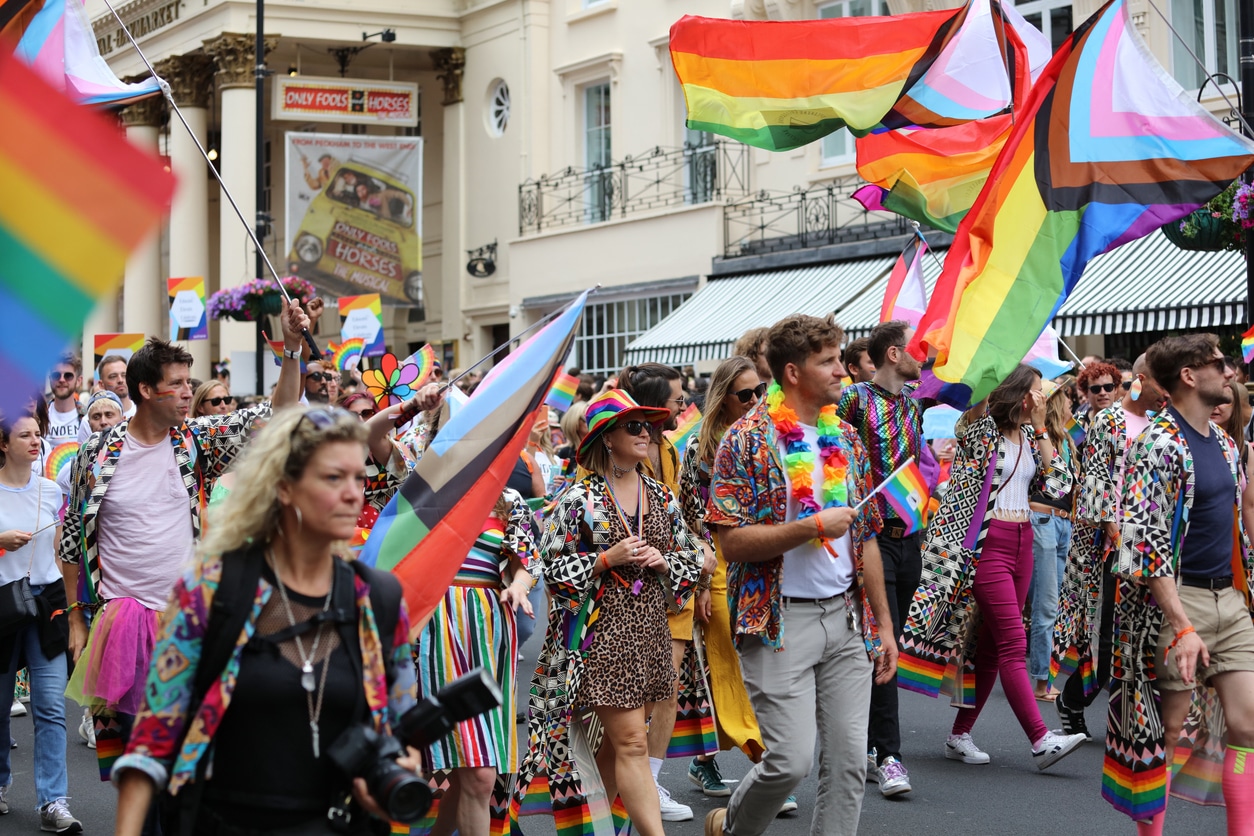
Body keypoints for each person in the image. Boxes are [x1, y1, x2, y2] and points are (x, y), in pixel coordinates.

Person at [111, 406, 420, 835]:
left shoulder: (379, 600)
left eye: (358, 478)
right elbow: (152, 738)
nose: (354, 493)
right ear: (284, 488)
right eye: (334, 478)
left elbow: (400, 730)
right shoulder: (211, 590)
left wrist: (397, 765)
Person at [61, 302, 308, 796]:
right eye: (176, 384)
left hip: (187, 619)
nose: (186, 393)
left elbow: (279, 411)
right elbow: (71, 536)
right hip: (123, 622)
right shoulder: (97, 451)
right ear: (146, 391)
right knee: (137, 768)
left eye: (188, 383)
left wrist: (293, 348)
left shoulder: (193, 441)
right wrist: (75, 617)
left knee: (188, 764)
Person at [705, 313, 897, 836]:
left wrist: (882, 624)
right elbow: (732, 540)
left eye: (840, 360)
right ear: (793, 372)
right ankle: (730, 829)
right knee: (790, 761)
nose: (844, 371)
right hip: (778, 623)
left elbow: (867, 537)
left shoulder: (848, 441)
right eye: (829, 361)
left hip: (846, 618)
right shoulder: (745, 440)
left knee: (850, 764)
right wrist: (811, 525)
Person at [512, 390, 703, 836]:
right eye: (634, 427)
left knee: (619, 750)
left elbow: (689, 557)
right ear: (607, 439)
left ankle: (598, 829)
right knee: (633, 742)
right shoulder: (579, 498)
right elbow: (548, 567)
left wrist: (665, 562)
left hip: (649, 631)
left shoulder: (659, 493)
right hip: (600, 638)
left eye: (649, 427)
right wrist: (603, 560)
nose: (646, 434)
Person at [900, 364, 1085, 771]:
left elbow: (1057, 487)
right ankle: (1041, 739)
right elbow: (969, 422)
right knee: (1013, 642)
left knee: (989, 646)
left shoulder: (1033, 437)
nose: (1044, 397)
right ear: (1019, 393)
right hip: (988, 544)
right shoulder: (984, 432)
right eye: (1037, 390)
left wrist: (1039, 428)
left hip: (1023, 544)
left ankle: (959, 735)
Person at [1104, 334, 1254, 833]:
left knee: (1248, 725)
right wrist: (1182, 625)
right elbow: (1144, 545)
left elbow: (1234, 524)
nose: (1229, 371)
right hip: (1175, 601)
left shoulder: (1228, 443)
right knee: (1167, 732)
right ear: (1189, 376)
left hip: (1227, 601)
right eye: (1218, 364)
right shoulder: (1157, 443)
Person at [619, 362, 717, 823]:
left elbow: (690, 515)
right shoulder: (612, 458)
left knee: (665, 688)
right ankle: (621, 781)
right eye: (678, 399)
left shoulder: (672, 452)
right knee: (625, 695)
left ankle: (651, 780)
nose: (685, 405)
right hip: (627, 590)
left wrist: (699, 577)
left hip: (674, 583)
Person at [1054, 354, 1166, 740]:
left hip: (1151, 541)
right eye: (1160, 381)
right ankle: (1072, 699)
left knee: (1146, 636)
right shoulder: (1109, 421)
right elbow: (1096, 484)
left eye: (1108, 386)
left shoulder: (1159, 423)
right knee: (1107, 638)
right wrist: (1115, 534)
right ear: (1141, 380)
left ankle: (1138, 724)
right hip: (1112, 547)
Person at [835, 320, 924, 797]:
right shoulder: (854, 400)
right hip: (867, 539)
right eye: (915, 349)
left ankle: (872, 744)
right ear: (893, 354)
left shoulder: (914, 405)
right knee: (881, 639)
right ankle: (890, 756)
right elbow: (839, 459)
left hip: (908, 536)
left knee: (892, 639)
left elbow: (914, 468)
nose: (922, 357)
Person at [417, 488, 537, 836]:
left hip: (488, 636)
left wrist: (518, 585)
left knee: (479, 775)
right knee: (433, 769)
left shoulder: (510, 498)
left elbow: (525, 562)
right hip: (434, 632)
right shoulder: (422, 483)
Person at [678, 357, 767, 797]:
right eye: (745, 394)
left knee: (752, 661)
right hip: (717, 563)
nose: (755, 401)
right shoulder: (701, 447)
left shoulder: (769, 437)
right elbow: (692, 520)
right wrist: (698, 582)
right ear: (724, 398)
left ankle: (704, 758)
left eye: (760, 392)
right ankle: (763, 760)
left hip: (763, 560)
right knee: (726, 663)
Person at [0, 411, 81, 831]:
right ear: (3, 443)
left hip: (46, 605)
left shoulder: (51, 491)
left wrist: (73, 612)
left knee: (50, 707)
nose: (35, 441)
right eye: (24, 435)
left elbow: (63, 555)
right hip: (2, 607)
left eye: (38, 434)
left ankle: (54, 803)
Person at [1026, 378, 1077, 702]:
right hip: (1042, 521)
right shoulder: (1035, 436)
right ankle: (1041, 681)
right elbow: (1054, 482)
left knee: (1052, 604)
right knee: (1045, 606)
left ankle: (1035, 672)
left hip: (1063, 525)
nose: (1072, 402)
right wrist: (1041, 423)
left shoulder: (1068, 437)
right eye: (1068, 397)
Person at [1214, 378, 1254, 551]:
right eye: (1211, 401)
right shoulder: (1186, 444)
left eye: (1223, 401)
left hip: (1237, 547)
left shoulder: (1245, 450)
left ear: (1235, 405)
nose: (1216, 406)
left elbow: (1249, 507)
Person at [78, 356, 135, 443]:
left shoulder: (141, 413)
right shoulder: (87, 421)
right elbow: (83, 454)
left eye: (124, 375)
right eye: (113, 376)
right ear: (101, 384)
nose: (120, 380)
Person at [46, 354, 84, 445]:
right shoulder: (39, 417)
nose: (62, 380)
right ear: (50, 379)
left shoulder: (89, 417)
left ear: (78, 381)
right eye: (56, 375)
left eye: (68, 376)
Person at [1075, 360, 1122, 428]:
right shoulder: (1077, 423)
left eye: (1108, 387)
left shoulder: (1127, 421)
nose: (1102, 393)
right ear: (1086, 392)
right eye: (1096, 389)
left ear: (1115, 390)